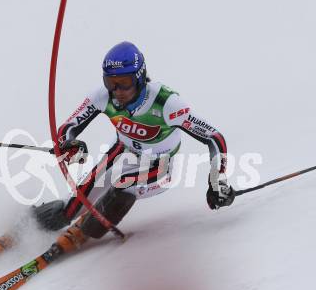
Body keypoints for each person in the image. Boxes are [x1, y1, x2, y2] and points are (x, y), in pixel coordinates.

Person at [29, 41, 235, 262]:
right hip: (121, 151)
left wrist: (217, 181)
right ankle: (32, 223)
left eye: (124, 83)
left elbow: (214, 137)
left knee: (122, 186)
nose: (117, 91)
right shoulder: (103, 96)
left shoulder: (166, 103)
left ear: (139, 76)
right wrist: (68, 143)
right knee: (70, 208)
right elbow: (68, 128)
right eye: (110, 83)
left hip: (160, 166)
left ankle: (87, 229)